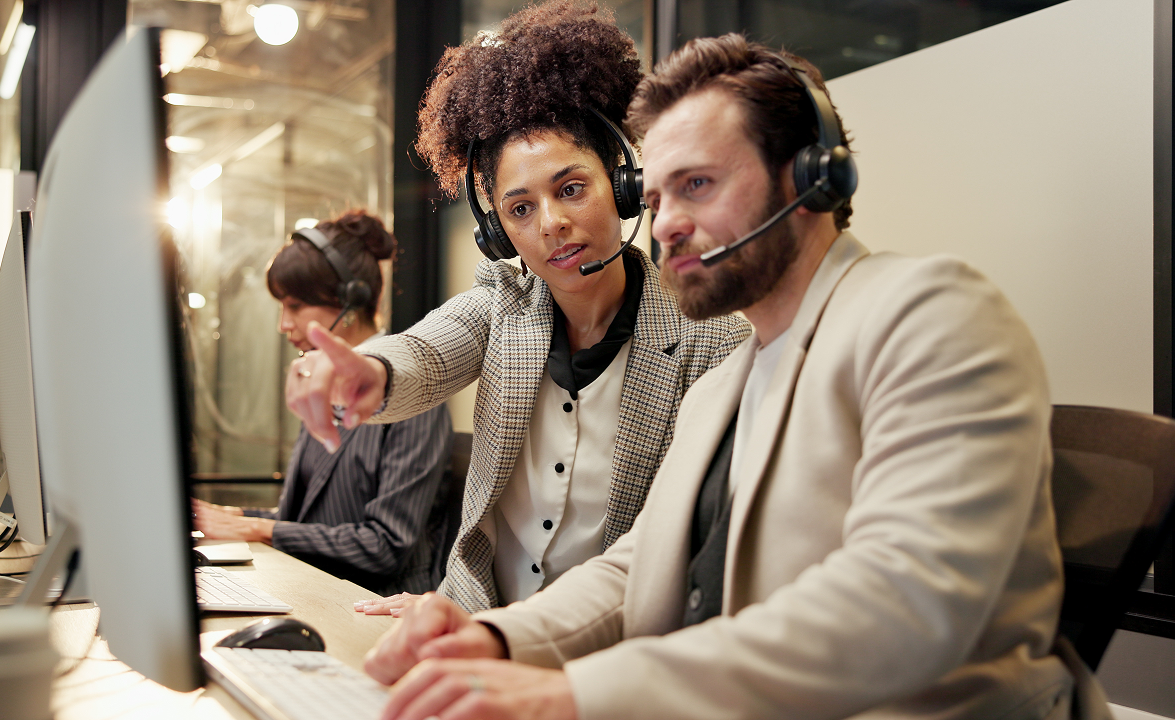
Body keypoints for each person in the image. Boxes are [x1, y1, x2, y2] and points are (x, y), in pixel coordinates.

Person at [361, 36, 1112, 720]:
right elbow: (636, 569)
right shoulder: (729, 382)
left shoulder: (929, 312)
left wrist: (575, 694)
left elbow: (907, 599)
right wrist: (491, 637)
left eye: (698, 185)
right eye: (655, 199)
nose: (664, 226)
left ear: (809, 175)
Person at [287, 1, 751, 615]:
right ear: (499, 233)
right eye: (520, 209)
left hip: (610, 650)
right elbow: (423, 352)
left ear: (621, 186)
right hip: (470, 616)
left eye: (571, 189)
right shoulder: (503, 307)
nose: (552, 223)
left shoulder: (713, 340)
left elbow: (687, 555)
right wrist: (367, 371)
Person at [192, 210, 454, 596]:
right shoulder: (322, 387)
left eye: (295, 306)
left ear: (349, 303)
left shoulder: (413, 398)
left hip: (374, 607)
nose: (283, 324)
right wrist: (227, 516)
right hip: (314, 588)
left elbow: (384, 546)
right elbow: (304, 522)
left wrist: (255, 527)